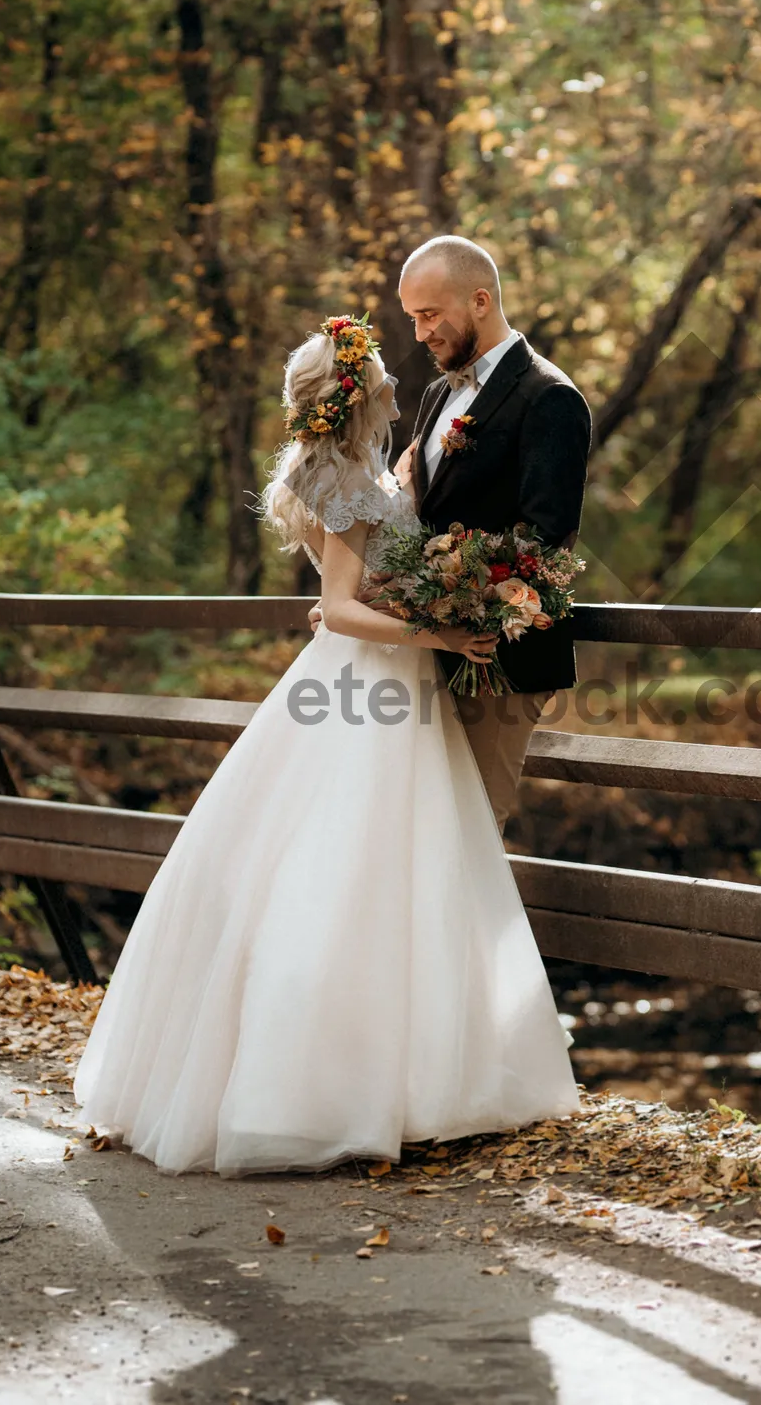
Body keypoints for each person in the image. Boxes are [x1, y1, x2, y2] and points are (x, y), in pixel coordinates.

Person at [73, 317, 579, 1175]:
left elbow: (363, 575)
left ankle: (415, 1073)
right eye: (381, 376)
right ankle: (328, 1085)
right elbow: (343, 608)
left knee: (399, 871)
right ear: (353, 396)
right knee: (352, 870)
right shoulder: (341, 478)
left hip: (381, 679)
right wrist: (444, 636)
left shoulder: (363, 470)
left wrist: (427, 580)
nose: (394, 384)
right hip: (370, 680)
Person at [312, 235, 592, 832]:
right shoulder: (440, 392)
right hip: (429, 655)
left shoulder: (550, 398)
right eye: (414, 318)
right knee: (417, 837)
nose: (420, 333)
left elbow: (545, 542)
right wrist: (372, 597)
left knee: (471, 836)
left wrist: (461, 614)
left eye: (431, 315)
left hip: (500, 663)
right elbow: (420, 521)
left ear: (481, 301)